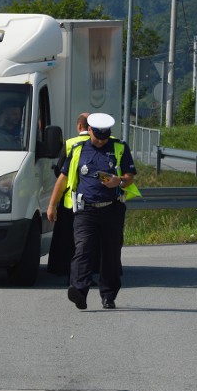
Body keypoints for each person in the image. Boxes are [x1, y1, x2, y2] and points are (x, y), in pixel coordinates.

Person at [47, 113, 140, 310]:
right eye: (98, 137)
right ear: (89, 130)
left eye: (105, 137)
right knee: (83, 249)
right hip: (85, 210)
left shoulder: (119, 148)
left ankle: (108, 295)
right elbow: (63, 179)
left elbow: (130, 176)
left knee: (111, 254)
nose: (101, 141)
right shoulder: (78, 150)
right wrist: (52, 204)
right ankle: (79, 291)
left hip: (112, 209)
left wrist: (119, 181)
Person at [46, 113, 91, 277]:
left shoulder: (70, 143)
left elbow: (60, 172)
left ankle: (63, 269)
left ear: (79, 126)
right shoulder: (105, 143)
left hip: (70, 200)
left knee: (66, 238)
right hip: (94, 198)